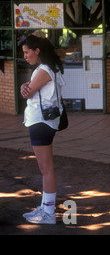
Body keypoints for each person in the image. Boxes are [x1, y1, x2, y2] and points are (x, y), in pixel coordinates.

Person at [19, 34, 65, 224]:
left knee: (46, 169)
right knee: (45, 168)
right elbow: (27, 88)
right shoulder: (44, 68)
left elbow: (27, 92)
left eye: (27, 52)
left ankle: (48, 213)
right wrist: (24, 85)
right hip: (43, 123)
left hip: (41, 123)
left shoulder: (43, 70)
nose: (25, 56)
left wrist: (25, 87)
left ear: (37, 51)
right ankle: (46, 207)